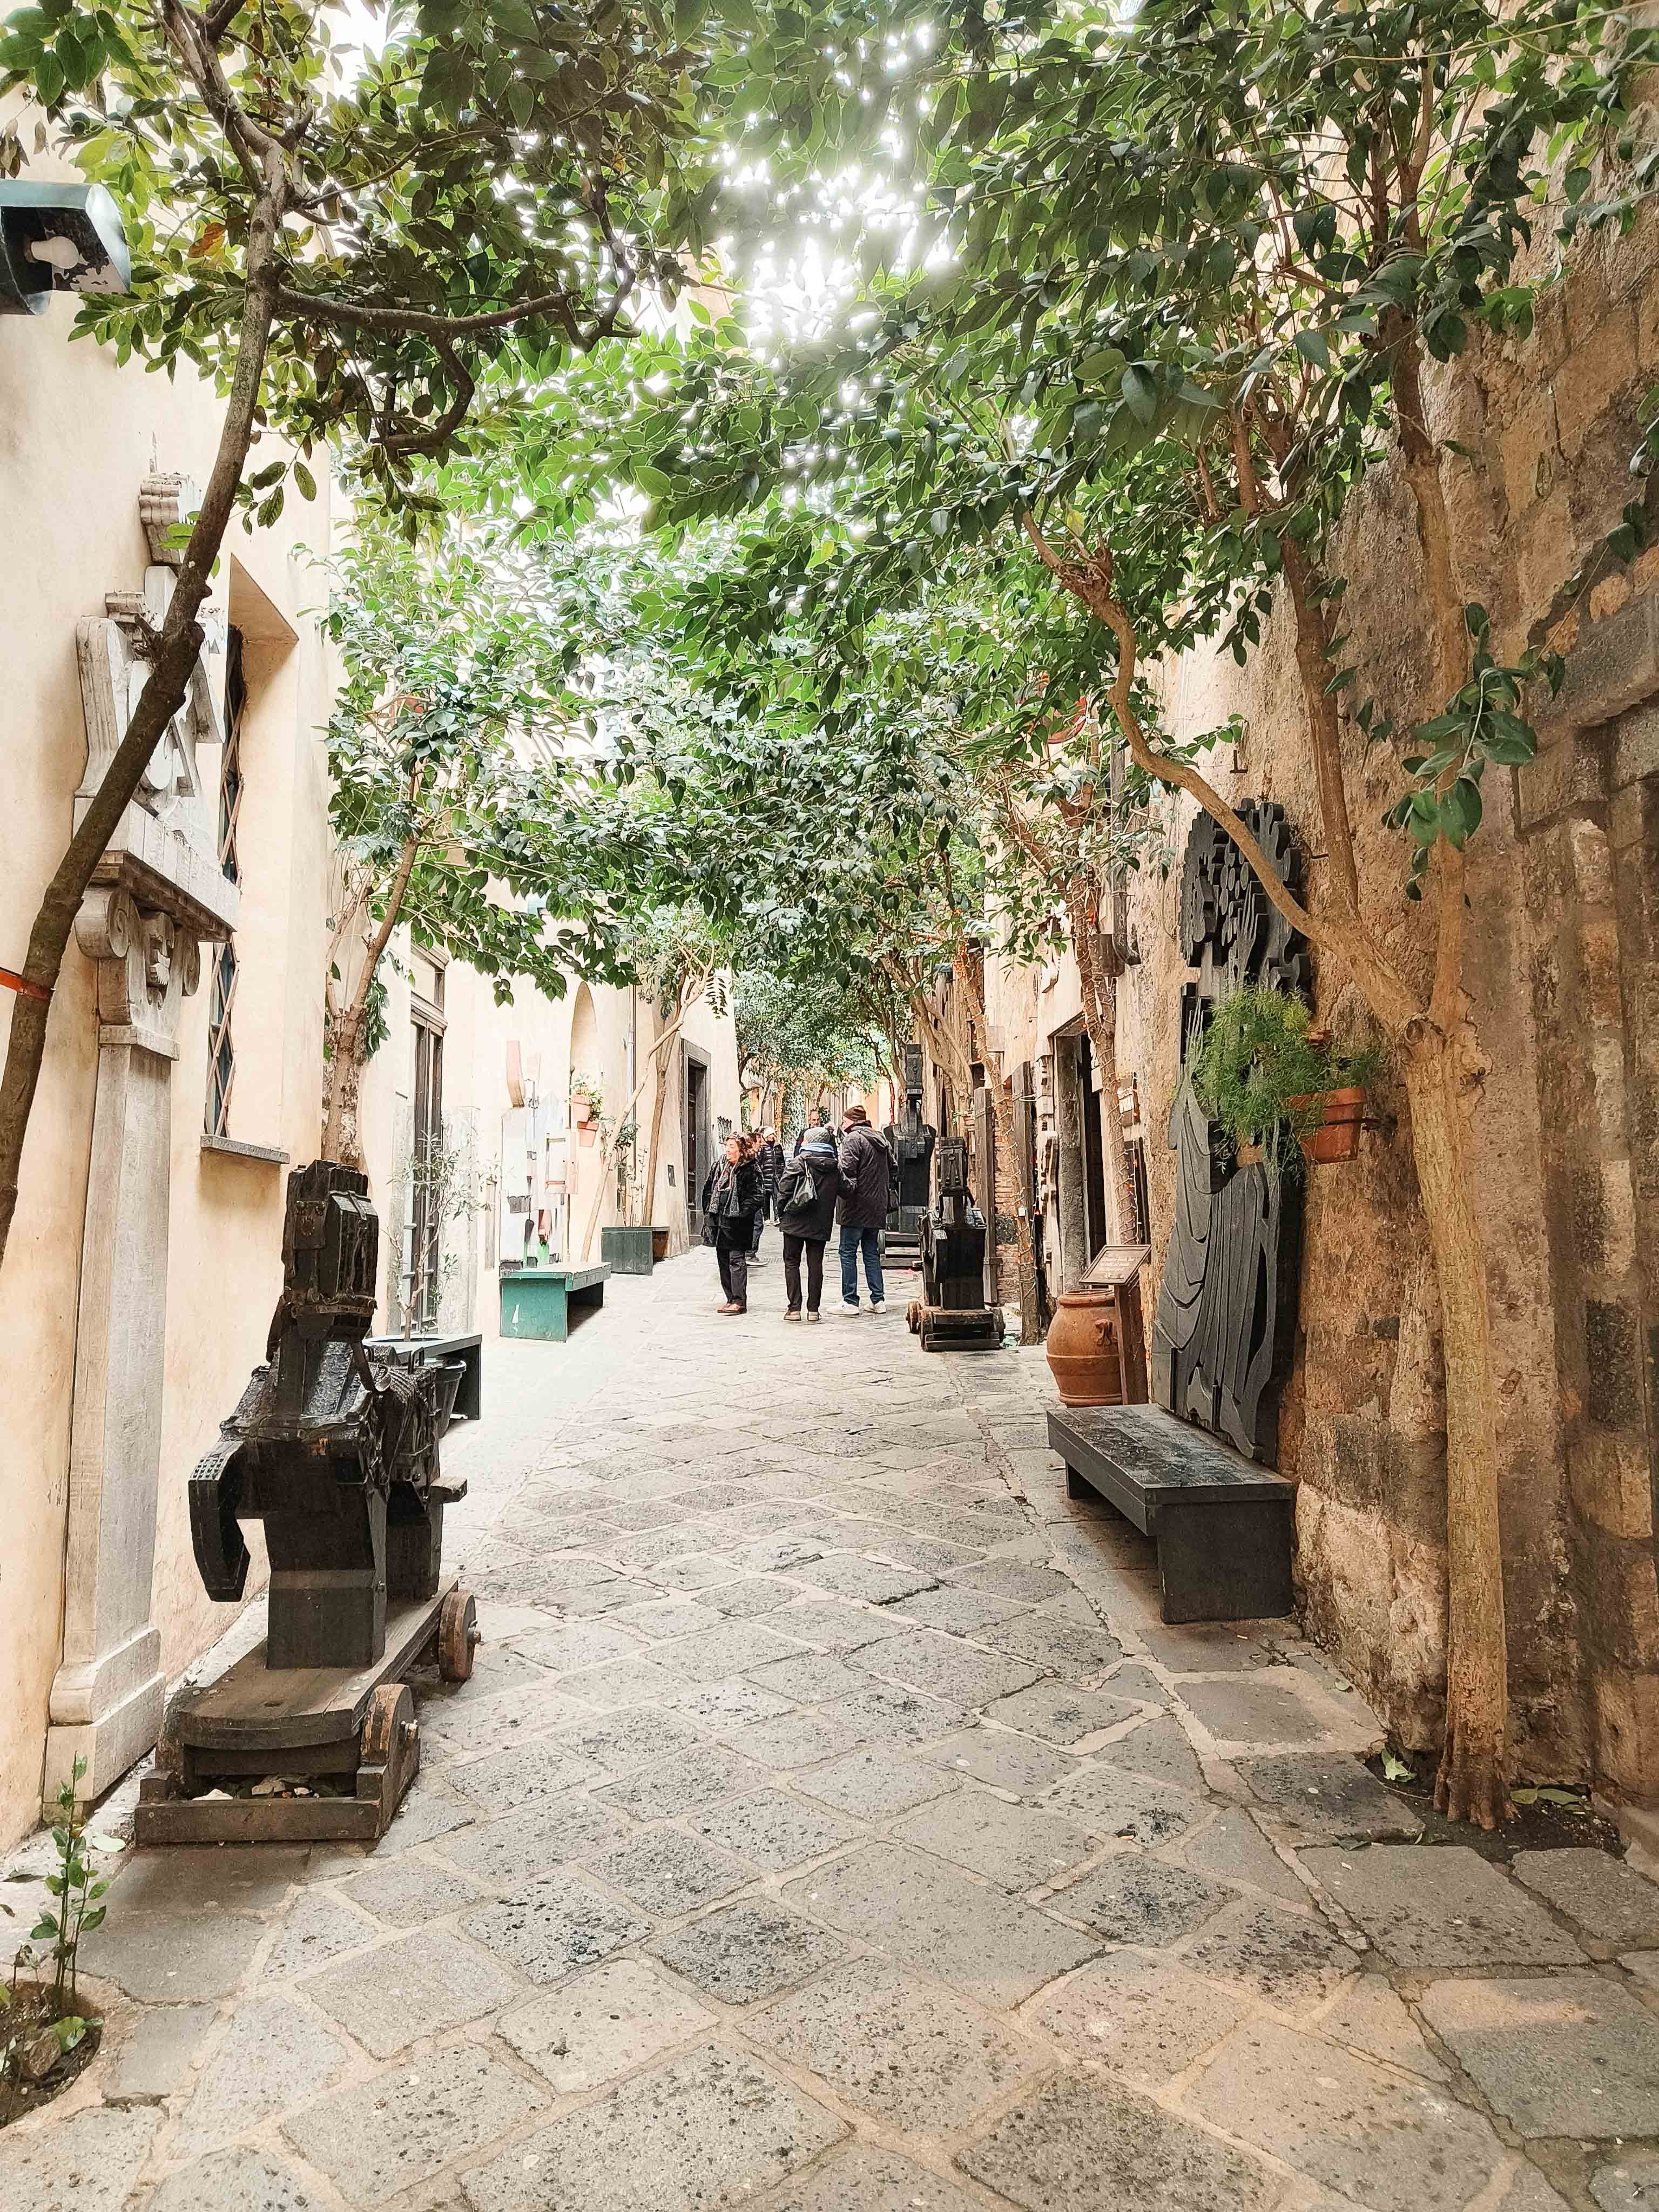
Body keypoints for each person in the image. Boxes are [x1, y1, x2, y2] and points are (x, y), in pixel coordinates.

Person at [774, 1118, 840, 1321]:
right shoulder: (834, 1167)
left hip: (795, 1220)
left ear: (809, 1141)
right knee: (815, 1265)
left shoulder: (798, 1162)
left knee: (792, 1262)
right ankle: (814, 1310)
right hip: (820, 1222)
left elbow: (784, 1190)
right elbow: (846, 1190)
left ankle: (794, 1309)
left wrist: (781, 1212)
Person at [835, 1102, 891, 1314]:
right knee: (871, 1252)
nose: (842, 1123)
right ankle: (878, 1300)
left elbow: (847, 1170)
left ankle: (850, 1302)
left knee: (848, 1252)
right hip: (877, 1206)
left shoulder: (853, 1139)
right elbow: (893, 1168)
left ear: (851, 1121)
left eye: (844, 1120)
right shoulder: (882, 1140)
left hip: (855, 1206)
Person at [700, 1133, 762, 1314]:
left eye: (732, 1146)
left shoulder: (749, 1168)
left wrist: (741, 1213)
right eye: (726, 1145)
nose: (728, 1149)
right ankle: (730, 1298)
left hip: (738, 1224)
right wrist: (709, 1209)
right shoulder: (720, 1165)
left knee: (736, 1261)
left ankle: (739, 1300)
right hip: (719, 1222)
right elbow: (709, 1188)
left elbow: (757, 1196)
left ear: (741, 1149)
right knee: (723, 1262)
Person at [751, 1126, 784, 1258]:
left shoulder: (777, 1148)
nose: (772, 1138)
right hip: (766, 1178)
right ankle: (767, 1218)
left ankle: (778, 1217)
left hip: (776, 1177)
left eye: (773, 1135)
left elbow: (782, 1162)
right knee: (765, 1199)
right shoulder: (761, 1152)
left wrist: (782, 1173)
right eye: (770, 1136)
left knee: (777, 1197)